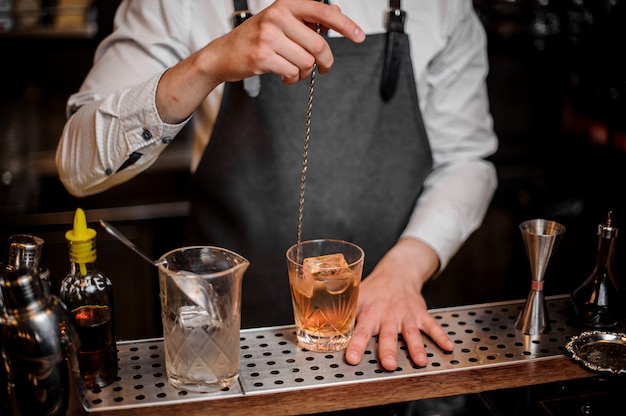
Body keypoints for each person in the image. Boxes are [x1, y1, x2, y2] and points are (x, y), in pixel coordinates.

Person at [56, 0, 498, 373]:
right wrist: (208, 63)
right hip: (224, 349)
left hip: (387, 336)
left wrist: (406, 268)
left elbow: (467, 159)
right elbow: (77, 168)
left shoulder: (442, 6)